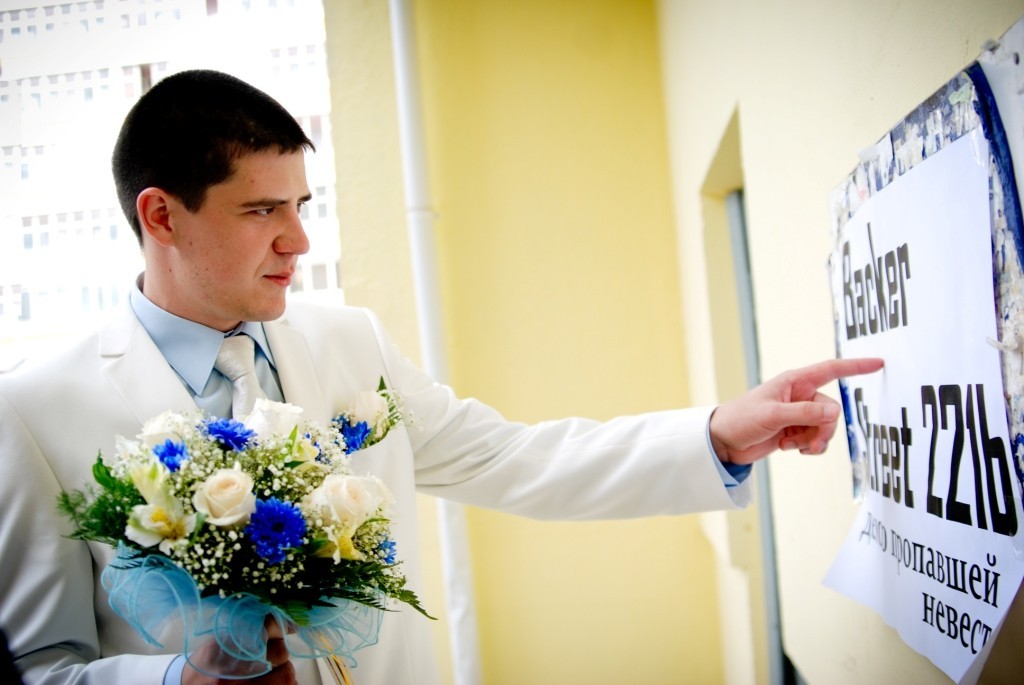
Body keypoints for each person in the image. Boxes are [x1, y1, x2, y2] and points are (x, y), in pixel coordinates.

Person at [0, 70, 882, 685]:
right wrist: (172, 679)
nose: (298, 240)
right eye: (262, 209)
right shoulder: (36, 412)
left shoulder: (351, 343)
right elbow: (42, 665)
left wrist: (717, 433)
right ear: (161, 215)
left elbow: (512, 458)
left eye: (300, 206)